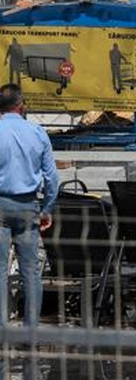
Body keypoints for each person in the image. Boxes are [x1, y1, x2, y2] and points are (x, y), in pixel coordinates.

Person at [0, 84, 57, 326]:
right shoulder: (37, 132)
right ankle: (31, 330)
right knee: (31, 271)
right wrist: (47, 209)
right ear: (22, 106)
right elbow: (52, 178)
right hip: (28, 207)